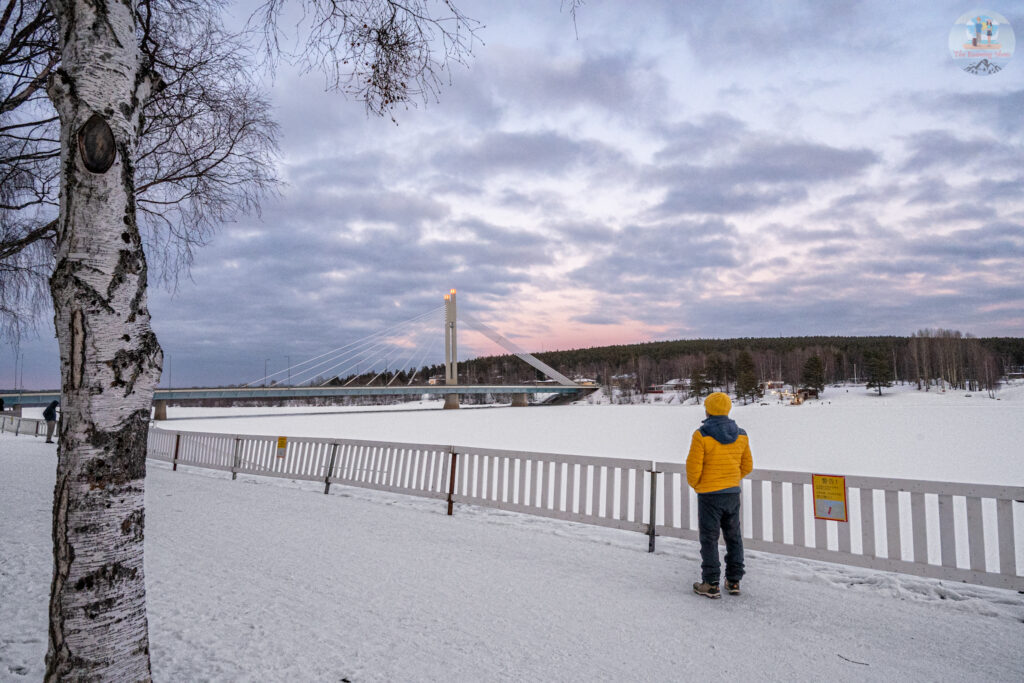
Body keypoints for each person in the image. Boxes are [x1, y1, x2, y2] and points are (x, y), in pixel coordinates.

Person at [686, 392, 753, 599]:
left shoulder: (702, 434)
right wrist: (731, 480)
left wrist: (699, 484)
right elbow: (747, 466)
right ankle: (733, 580)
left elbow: (693, 468)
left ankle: (711, 582)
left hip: (709, 495)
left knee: (709, 538)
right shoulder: (741, 434)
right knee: (734, 537)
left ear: (708, 409)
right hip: (732, 493)